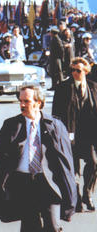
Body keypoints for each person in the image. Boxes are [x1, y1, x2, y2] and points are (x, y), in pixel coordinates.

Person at [0, 85, 76, 231]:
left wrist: (70, 195)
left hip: (48, 183)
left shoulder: (55, 126)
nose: (21, 105)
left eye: (26, 101)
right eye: (20, 100)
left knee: (53, 226)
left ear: (38, 103)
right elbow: (0, 163)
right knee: (30, 227)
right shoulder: (11, 126)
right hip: (23, 184)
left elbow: (66, 163)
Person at [52, 57, 97, 212]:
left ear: (85, 71)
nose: (75, 73)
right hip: (69, 134)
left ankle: (87, 193)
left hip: (89, 134)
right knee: (73, 168)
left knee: (93, 163)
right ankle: (76, 197)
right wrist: (59, 134)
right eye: (72, 70)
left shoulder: (93, 87)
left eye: (78, 70)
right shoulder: (63, 87)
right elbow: (55, 115)